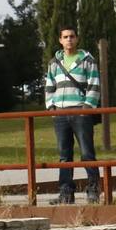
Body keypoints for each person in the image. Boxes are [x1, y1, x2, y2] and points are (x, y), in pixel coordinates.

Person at [45, 26, 101, 204]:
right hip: (60, 113)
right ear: (60, 40)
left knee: (87, 153)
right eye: (65, 37)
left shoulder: (87, 60)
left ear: (77, 39)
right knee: (64, 155)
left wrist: (86, 108)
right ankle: (65, 193)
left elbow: (94, 85)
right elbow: (49, 86)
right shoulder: (54, 62)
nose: (69, 39)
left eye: (72, 36)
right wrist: (51, 108)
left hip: (80, 112)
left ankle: (93, 191)